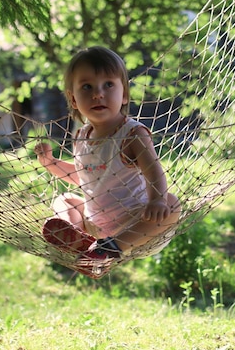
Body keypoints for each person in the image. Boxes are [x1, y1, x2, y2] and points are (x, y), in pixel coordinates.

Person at [35, 46, 181, 269]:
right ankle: (77, 240)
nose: (97, 93)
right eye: (87, 87)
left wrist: (157, 199)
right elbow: (84, 177)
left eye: (108, 85)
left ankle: (109, 249)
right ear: (73, 99)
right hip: (95, 225)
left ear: (124, 95)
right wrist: (50, 163)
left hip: (135, 223)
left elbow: (154, 171)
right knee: (64, 200)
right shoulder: (81, 136)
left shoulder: (133, 134)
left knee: (171, 203)